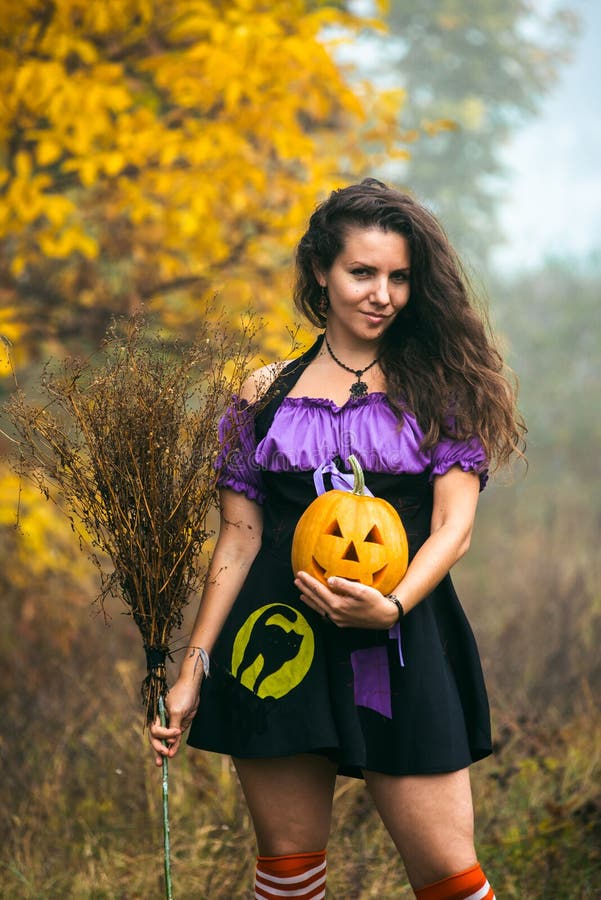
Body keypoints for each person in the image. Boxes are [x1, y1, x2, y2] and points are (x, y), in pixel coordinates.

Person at [149, 178, 525, 899]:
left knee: (450, 879)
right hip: (277, 639)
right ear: (321, 270)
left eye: (398, 277)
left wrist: (392, 606)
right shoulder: (262, 393)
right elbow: (237, 535)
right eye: (362, 272)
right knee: (287, 872)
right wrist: (194, 664)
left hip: (403, 638)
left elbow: (453, 527)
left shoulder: (440, 388)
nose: (381, 293)